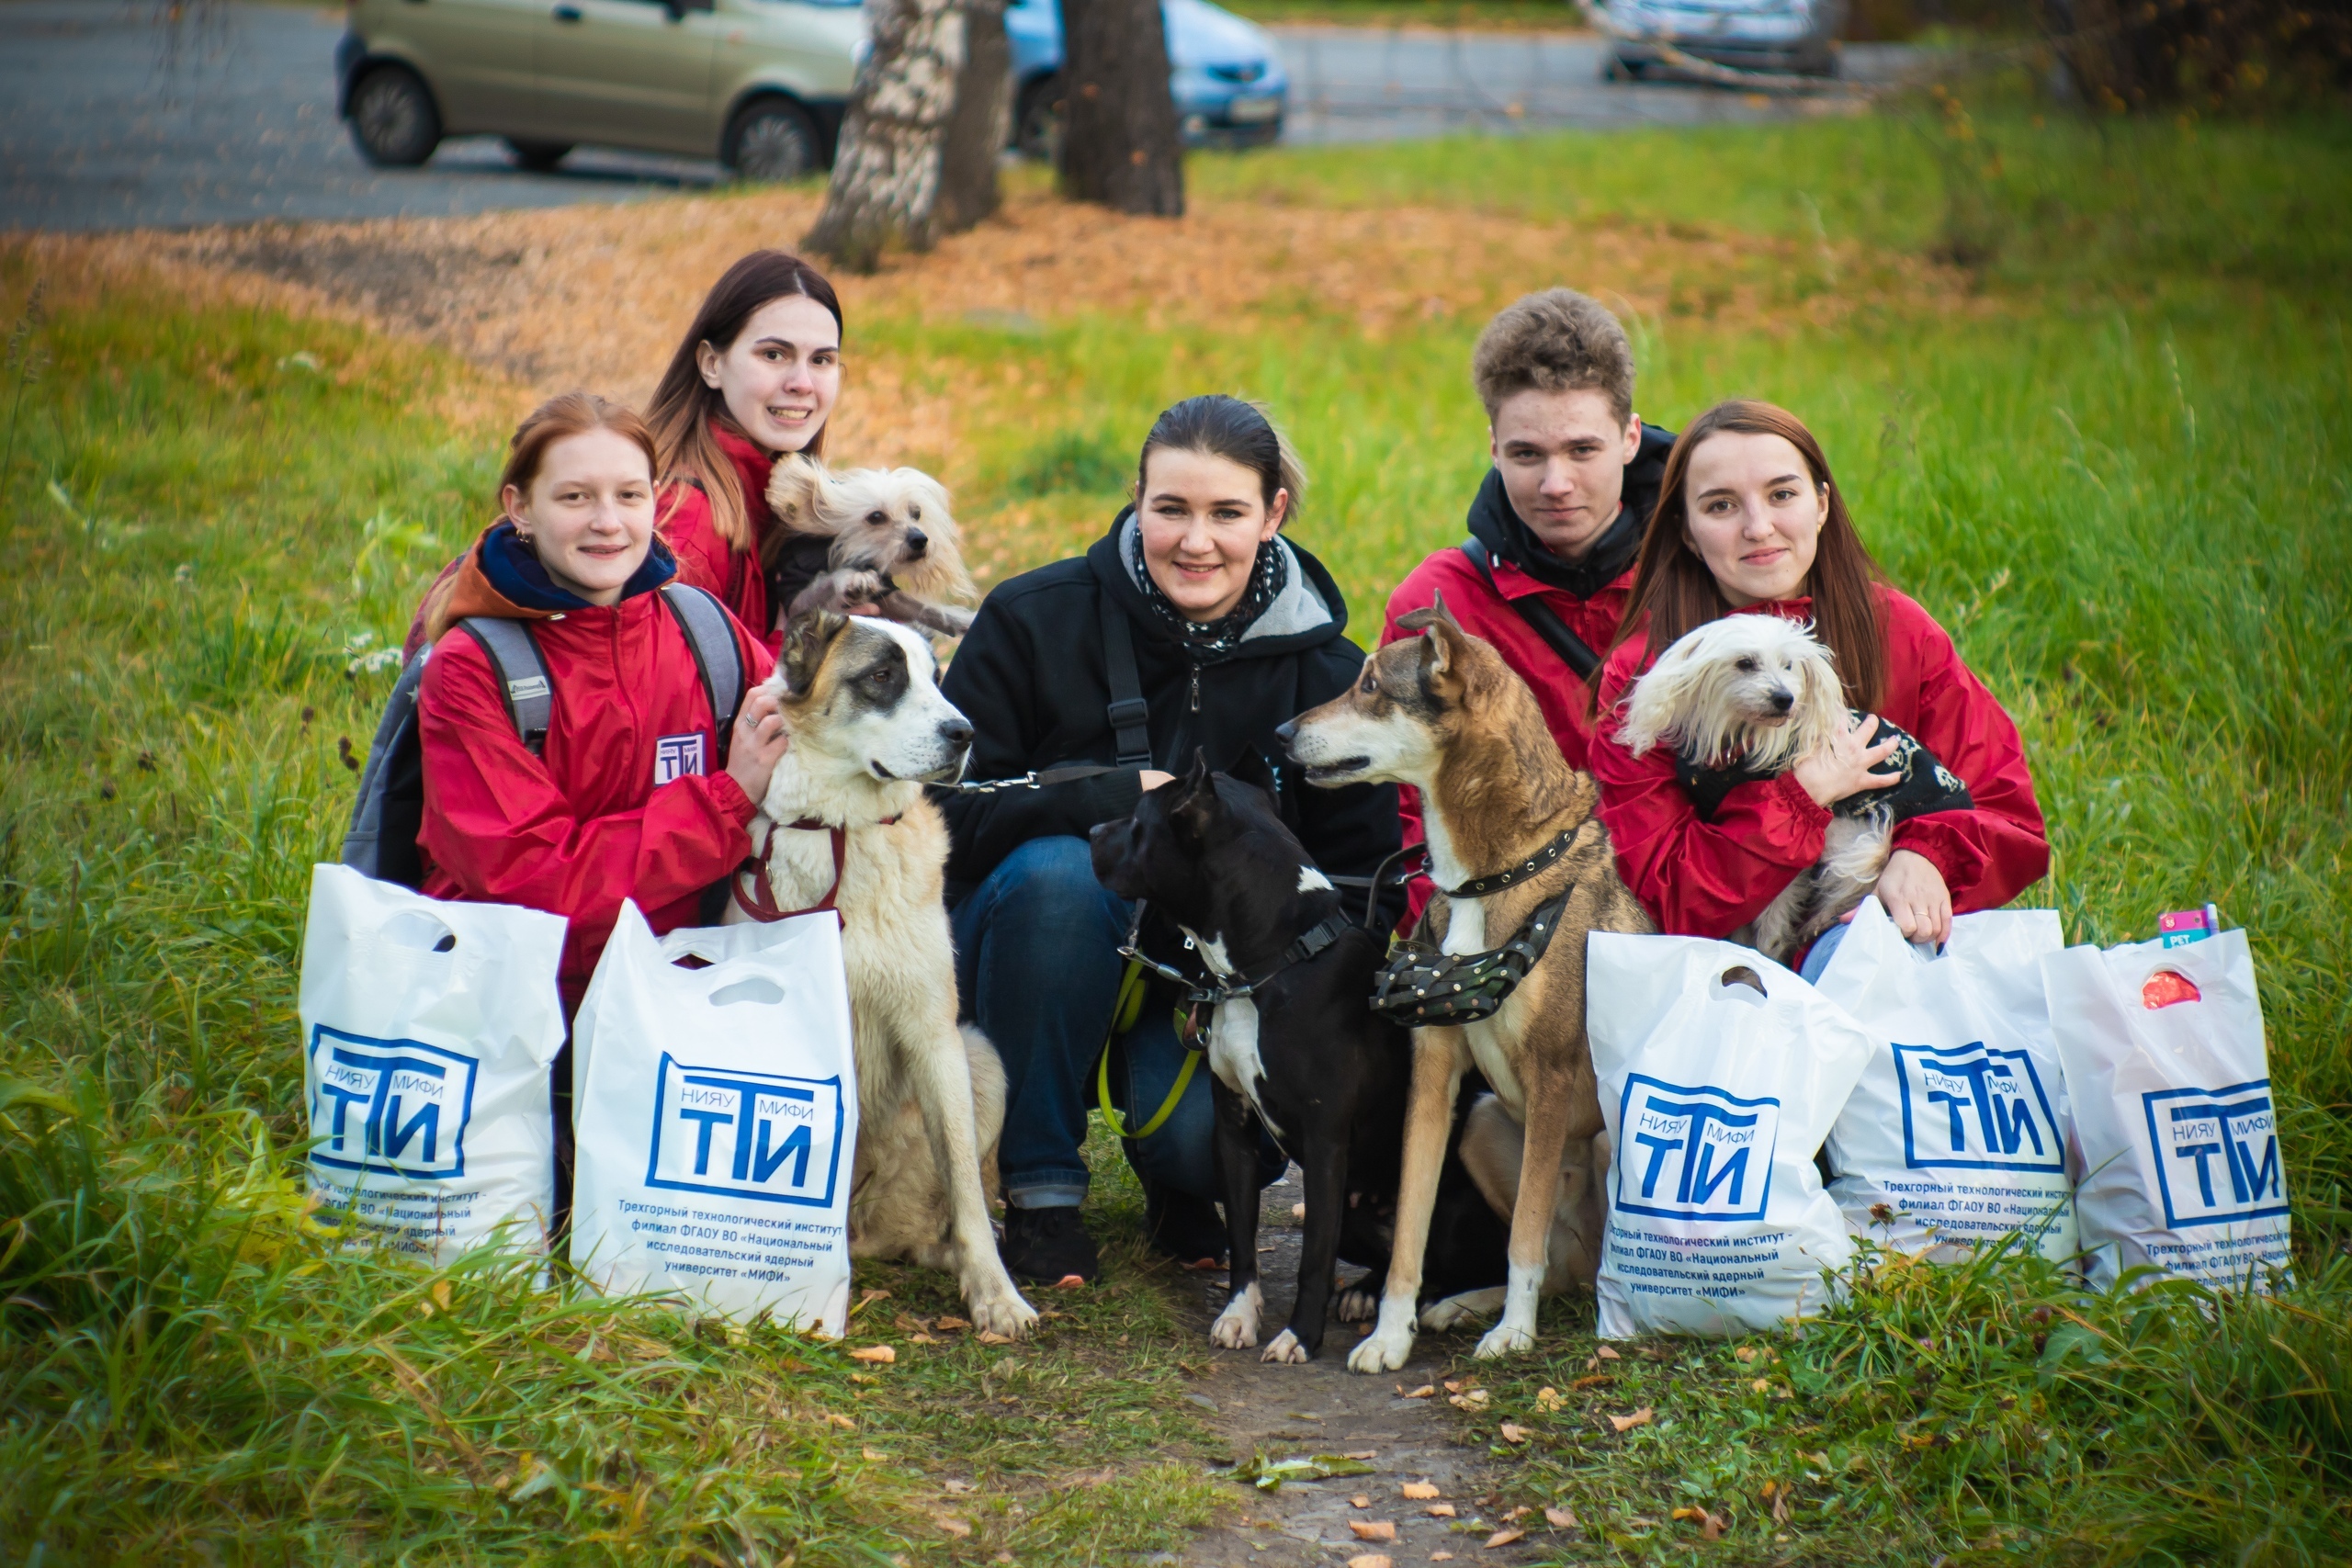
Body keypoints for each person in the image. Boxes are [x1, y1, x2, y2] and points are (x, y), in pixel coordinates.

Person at [941, 396, 1402, 1288]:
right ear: (1136, 501)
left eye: (1227, 513)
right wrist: (1106, 794)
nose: (1197, 541)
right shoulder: (1033, 619)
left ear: (1271, 514)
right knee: (1054, 875)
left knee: (1198, 1151)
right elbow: (934, 817)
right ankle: (1038, 1194)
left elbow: (1364, 890)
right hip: (1038, 952)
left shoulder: (1329, 675)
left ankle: (1181, 1186)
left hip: (1214, 992)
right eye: (1171, 510)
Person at [413, 392, 788, 1218]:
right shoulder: (472, 669)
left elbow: (807, 749)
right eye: (574, 497)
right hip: (522, 1030)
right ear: (519, 507)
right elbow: (538, 886)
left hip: (678, 1009)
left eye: (628, 494)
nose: (607, 522)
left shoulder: (703, 628)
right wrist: (725, 803)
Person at [1588, 399, 2048, 979]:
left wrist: (1926, 855)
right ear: (1685, 529)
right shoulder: (1648, 677)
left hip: (1880, 953)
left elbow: (2008, 813)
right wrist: (1799, 798)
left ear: (1823, 503)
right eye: (1721, 505)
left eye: (1783, 494)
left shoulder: (1901, 633)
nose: (1758, 527)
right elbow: (1660, 896)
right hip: (1714, 975)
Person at [1379, 288, 1675, 926]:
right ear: (1492, 446)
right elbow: (1411, 823)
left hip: (1699, 928)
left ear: (1629, 437)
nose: (1555, 484)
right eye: (1526, 454)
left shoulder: (1708, 568)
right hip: (1517, 952)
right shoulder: (1439, 605)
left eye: (1582, 450)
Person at [647, 250, 847, 652]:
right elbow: (674, 699)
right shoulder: (687, 520)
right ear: (711, 364)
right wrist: (797, 635)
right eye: (774, 354)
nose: (802, 383)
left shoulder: (776, 494)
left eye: (822, 360)